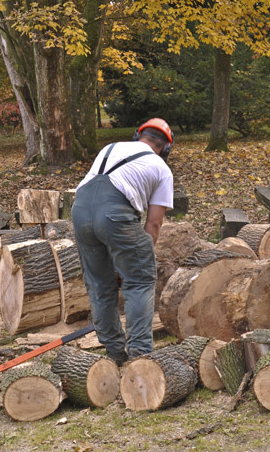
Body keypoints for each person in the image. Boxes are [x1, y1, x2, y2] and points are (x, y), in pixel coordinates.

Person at [72, 118, 174, 365]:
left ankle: (114, 353)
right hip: (115, 214)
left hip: (80, 212)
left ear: (138, 135)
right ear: (166, 148)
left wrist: (121, 262)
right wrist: (135, 263)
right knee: (139, 281)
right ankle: (140, 354)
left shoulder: (109, 148)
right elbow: (153, 226)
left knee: (99, 283)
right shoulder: (161, 169)